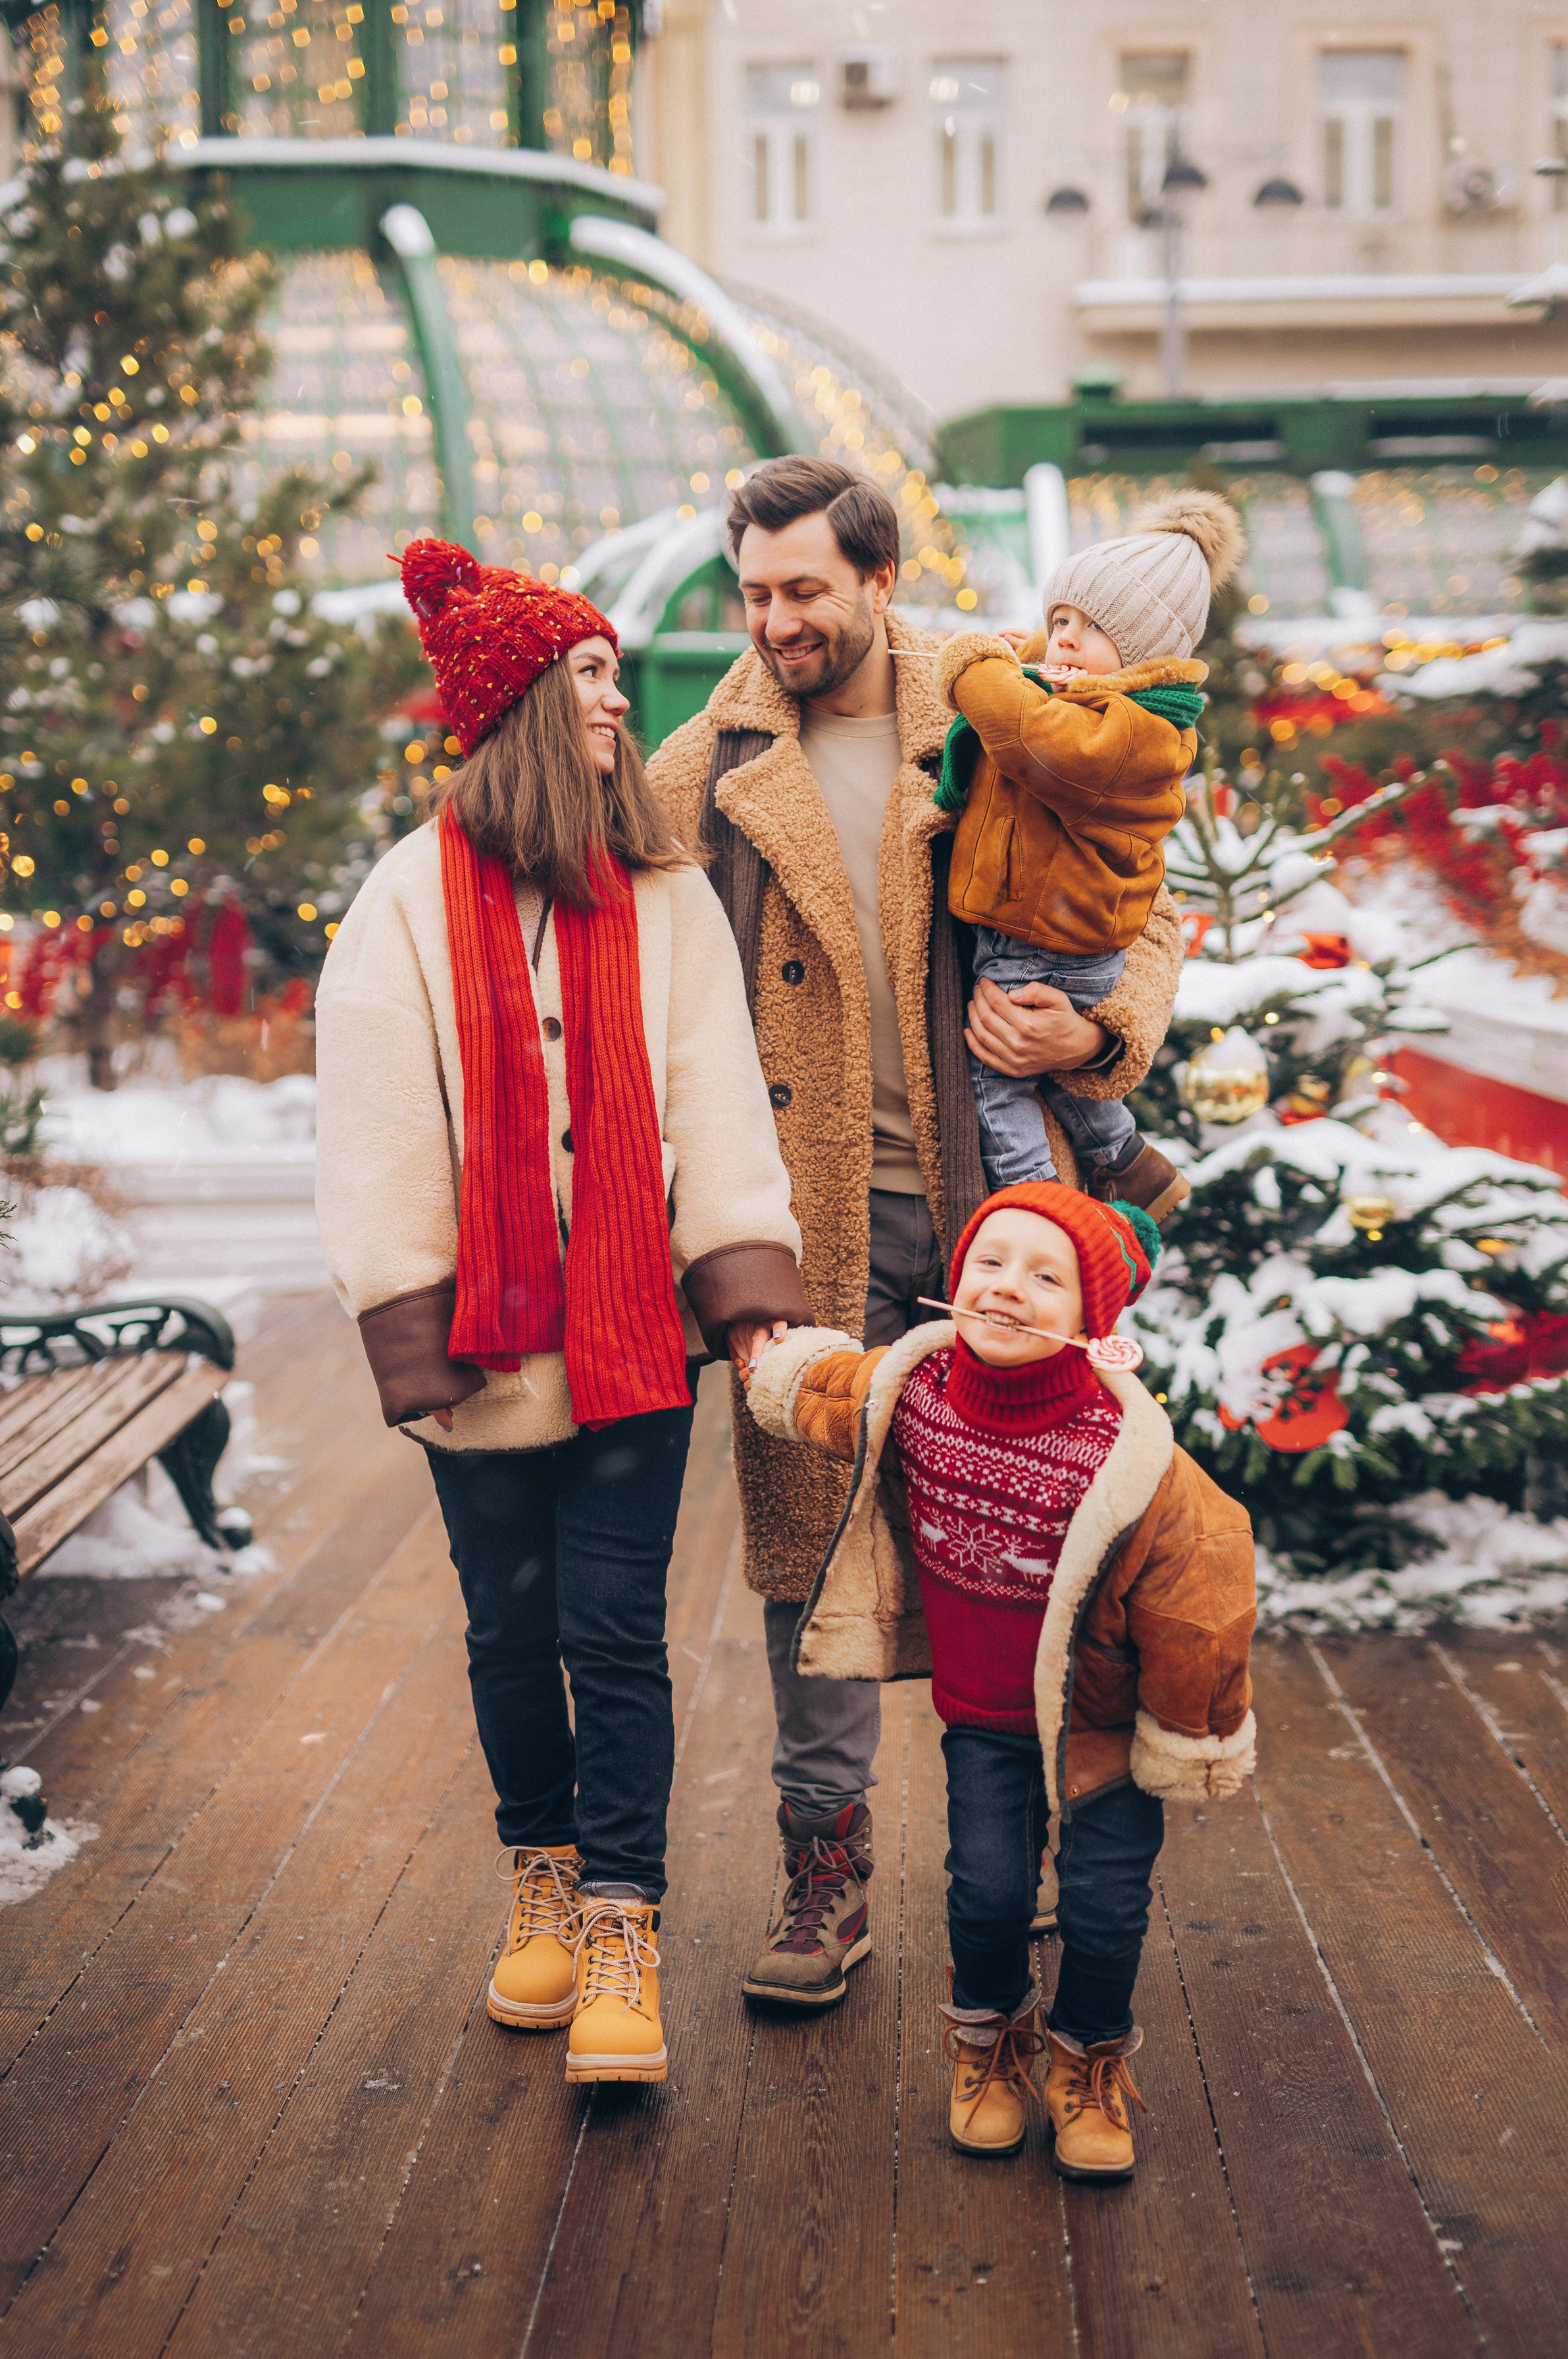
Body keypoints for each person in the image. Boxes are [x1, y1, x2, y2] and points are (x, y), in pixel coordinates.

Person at [645, 457, 1185, 2009]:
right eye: (753, 593)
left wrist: (1089, 1047)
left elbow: (1139, 904)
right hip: (798, 1222)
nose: (776, 621)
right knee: (806, 1557)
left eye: (805, 590)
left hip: (995, 1217)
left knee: (1031, 1538)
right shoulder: (706, 765)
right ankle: (824, 1877)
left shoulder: (996, 698)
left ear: (879, 581)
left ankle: (1011, 1868)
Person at [315, 538, 811, 2088]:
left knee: (614, 1634)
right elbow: (381, 1125)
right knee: (504, 1629)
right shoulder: (402, 901)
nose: (614, 698)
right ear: (524, 699)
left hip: (627, 1336)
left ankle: (618, 1922)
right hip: (480, 1345)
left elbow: (714, 1102)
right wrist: (410, 1328)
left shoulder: (663, 901)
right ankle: (536, 1872)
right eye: (590, 673)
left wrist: (741, 1290)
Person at [744, 1183, 1256, 2180]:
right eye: (989, 1264)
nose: (1008, 1289)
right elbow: (837, 1390)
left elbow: (1205, 1588)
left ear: (1092, 1319)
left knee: (1106, 1906)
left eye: (1045, 1276)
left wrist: (1190, 1730)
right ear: (953, 1281)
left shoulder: (1129, 1452)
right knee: (984, 1894)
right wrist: (779, 1364)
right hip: (984, 1715)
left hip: (1100, 1725)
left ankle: (1089, 2060)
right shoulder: (920, 1395)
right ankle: (986, 2048)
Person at [934, 490, 1245, 1220]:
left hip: (1044, 942)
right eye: (1058, 622)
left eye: (1090, 628)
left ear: (1143, 656)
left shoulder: (1132, 734)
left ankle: (1033, 1205)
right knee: (1044, 1070)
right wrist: (1028, 658)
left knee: (997, 1074)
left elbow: (1032, 740)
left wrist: (975, 669)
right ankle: (1129, 1161)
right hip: (1059, 934)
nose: (1063, 642)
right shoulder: (1104, 707)